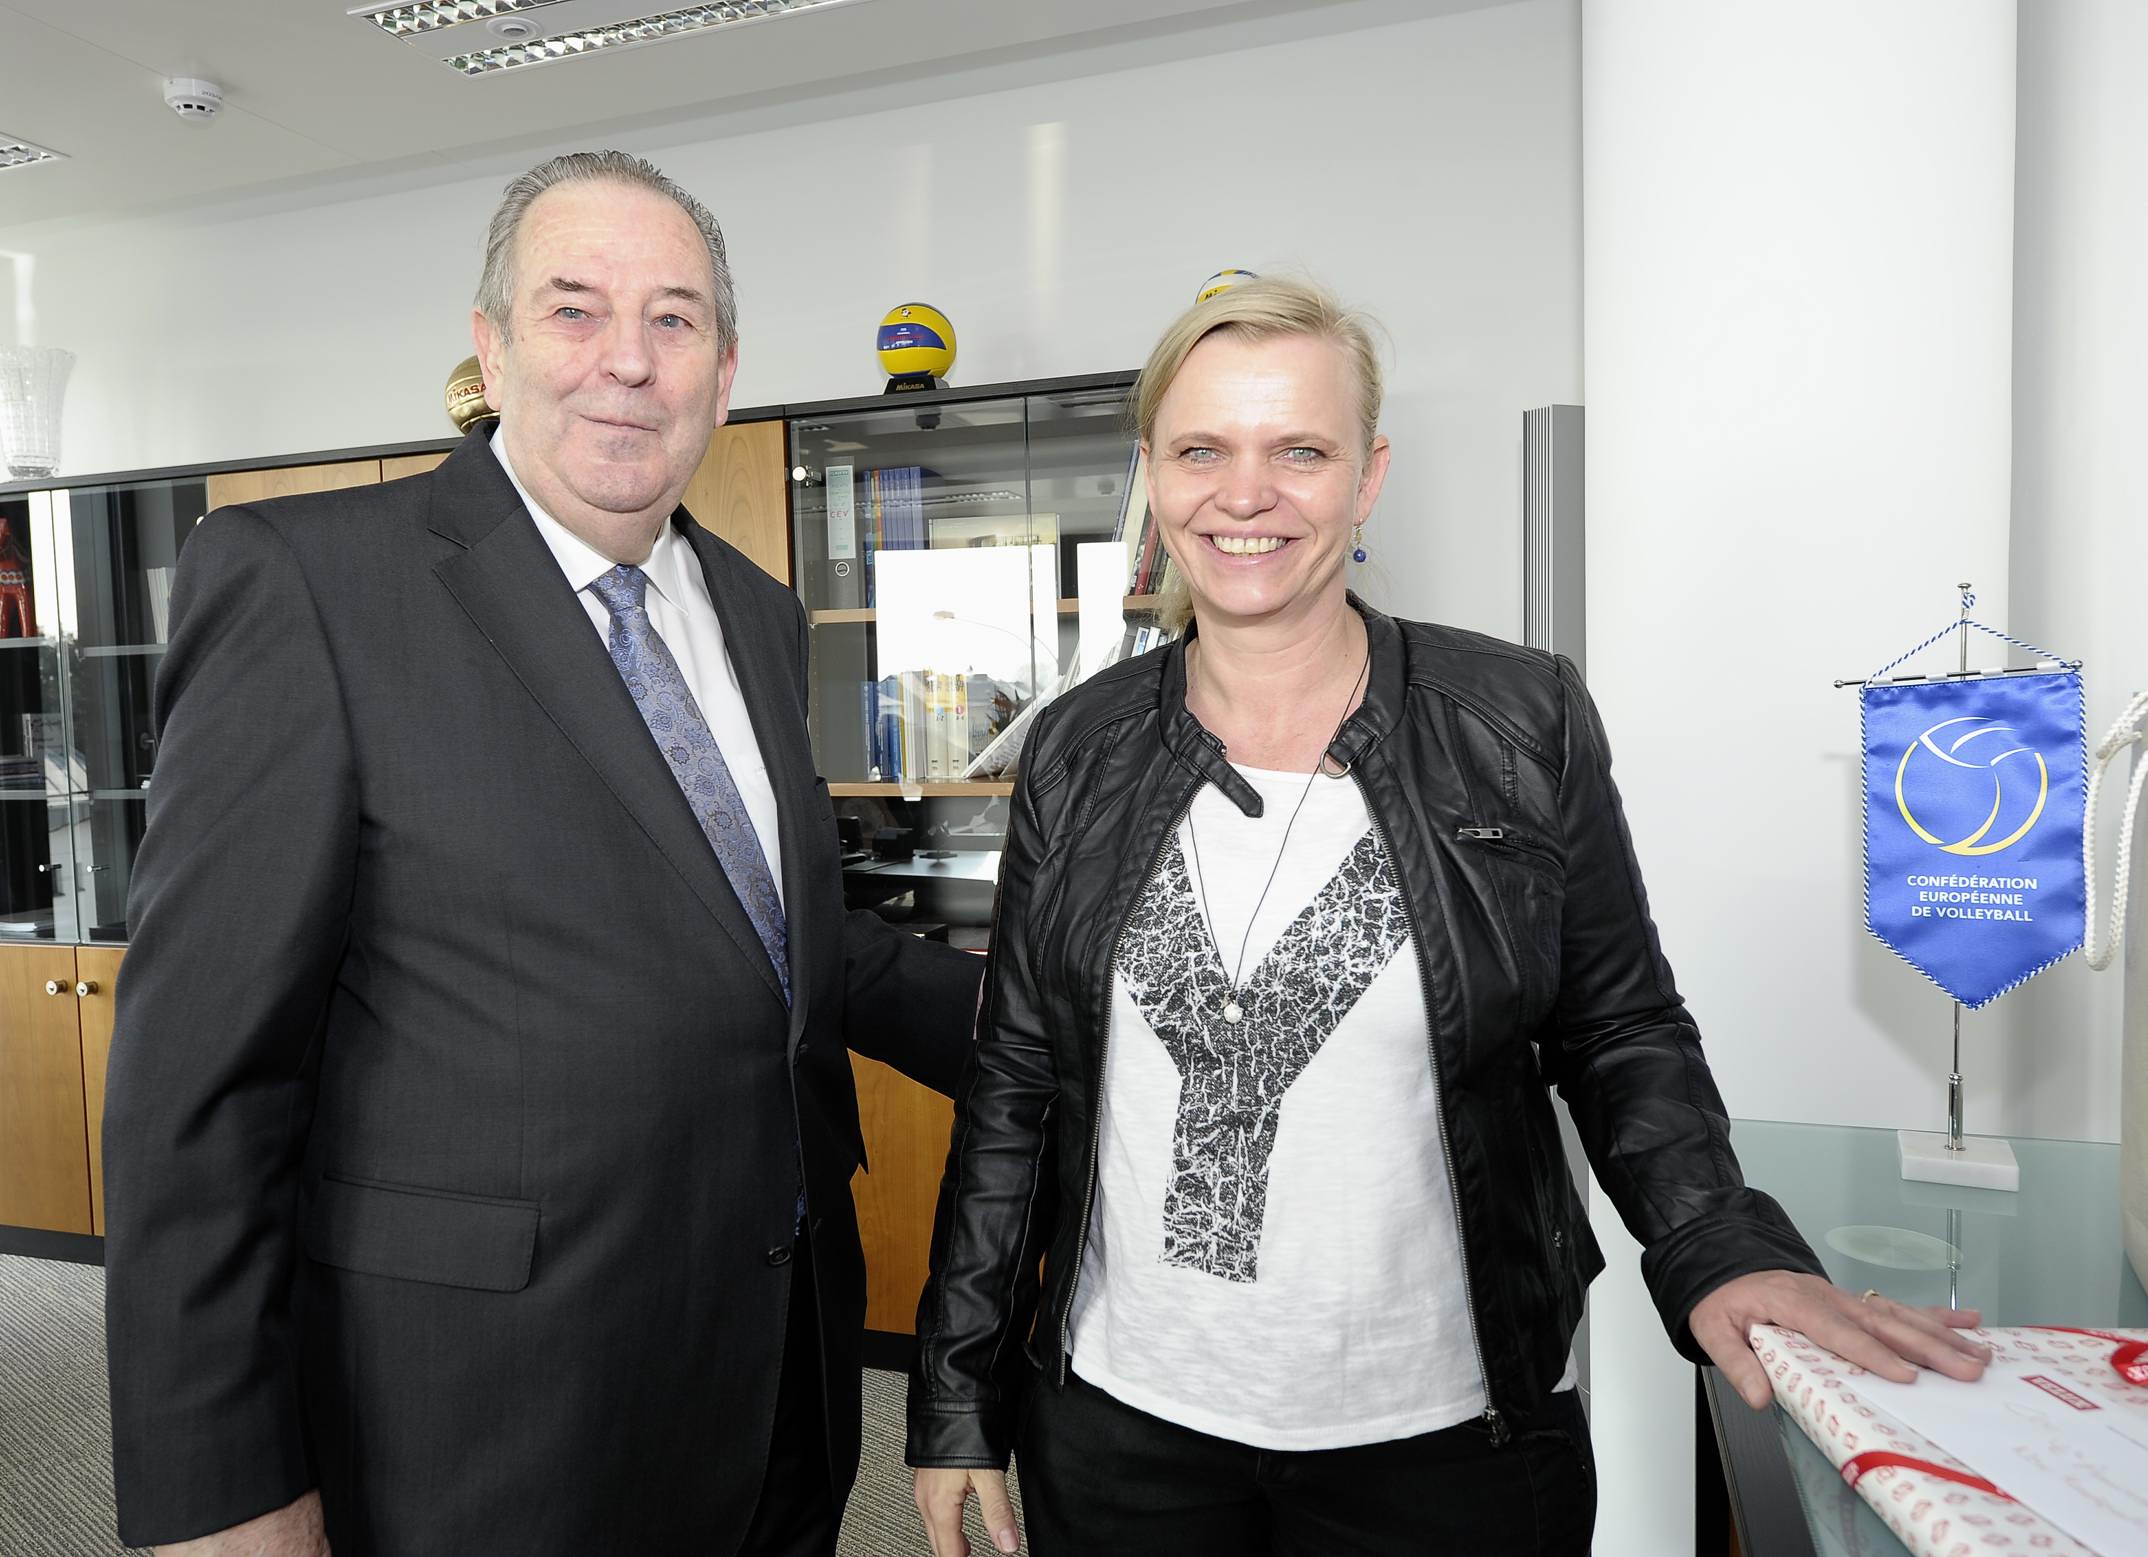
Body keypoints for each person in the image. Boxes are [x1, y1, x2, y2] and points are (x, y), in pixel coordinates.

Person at [904, 277, 1990, 1557]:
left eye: (1299, 451)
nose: (1245, 495)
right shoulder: (1078, 749)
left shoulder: (1517, 720)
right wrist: (958, 1394)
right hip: (1123, 1431)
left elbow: (1620, 1027)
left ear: (1368, 476)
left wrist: (1715, 1239)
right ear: (1153, 475)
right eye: (1202, 451)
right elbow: (1016, 1082)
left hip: (1446, 1438)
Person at [104, 151, 983, 1557]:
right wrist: (225, 1488)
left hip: (776, 1371)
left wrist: (1073, 1022)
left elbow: (784, 934)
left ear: (725, 370)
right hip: (481, 1412)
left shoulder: (758, 614)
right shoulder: (308, 584)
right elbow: (196, 1088)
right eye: (575, 310)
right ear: (492, 346)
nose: (628, 360)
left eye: (675, 320)